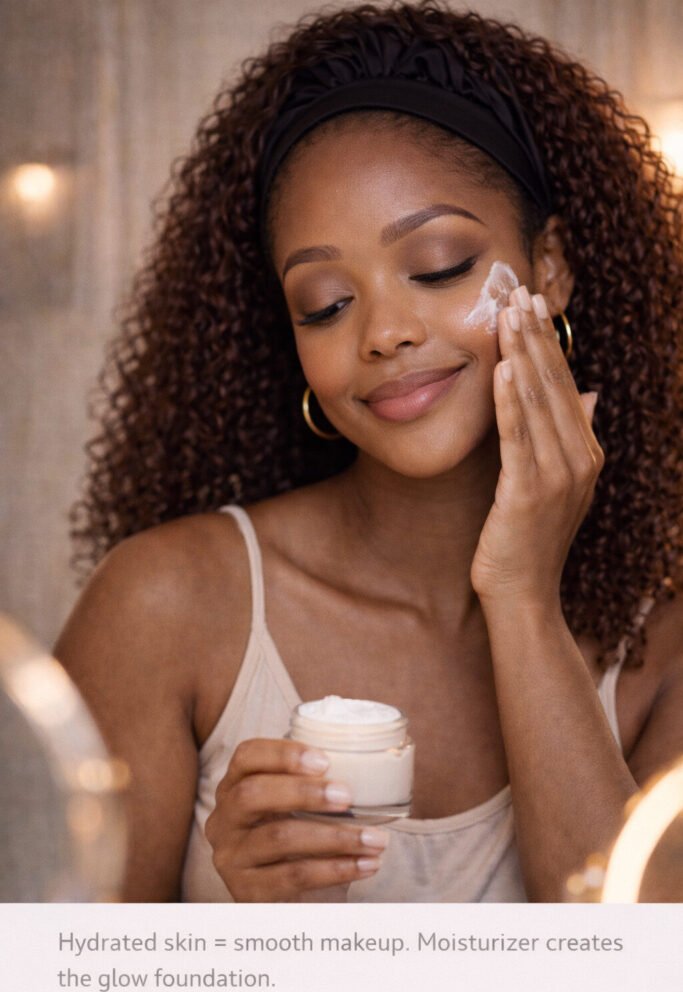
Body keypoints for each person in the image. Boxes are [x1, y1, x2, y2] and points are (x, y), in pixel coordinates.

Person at [55, 1, 683, 902]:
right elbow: (60, 986)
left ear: (548, 268)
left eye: (435, 266)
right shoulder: (166, 607)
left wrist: (519, 596)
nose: (383, 333)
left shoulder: (656, 648)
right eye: (324, 303)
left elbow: (636, 983)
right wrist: (240, 928)